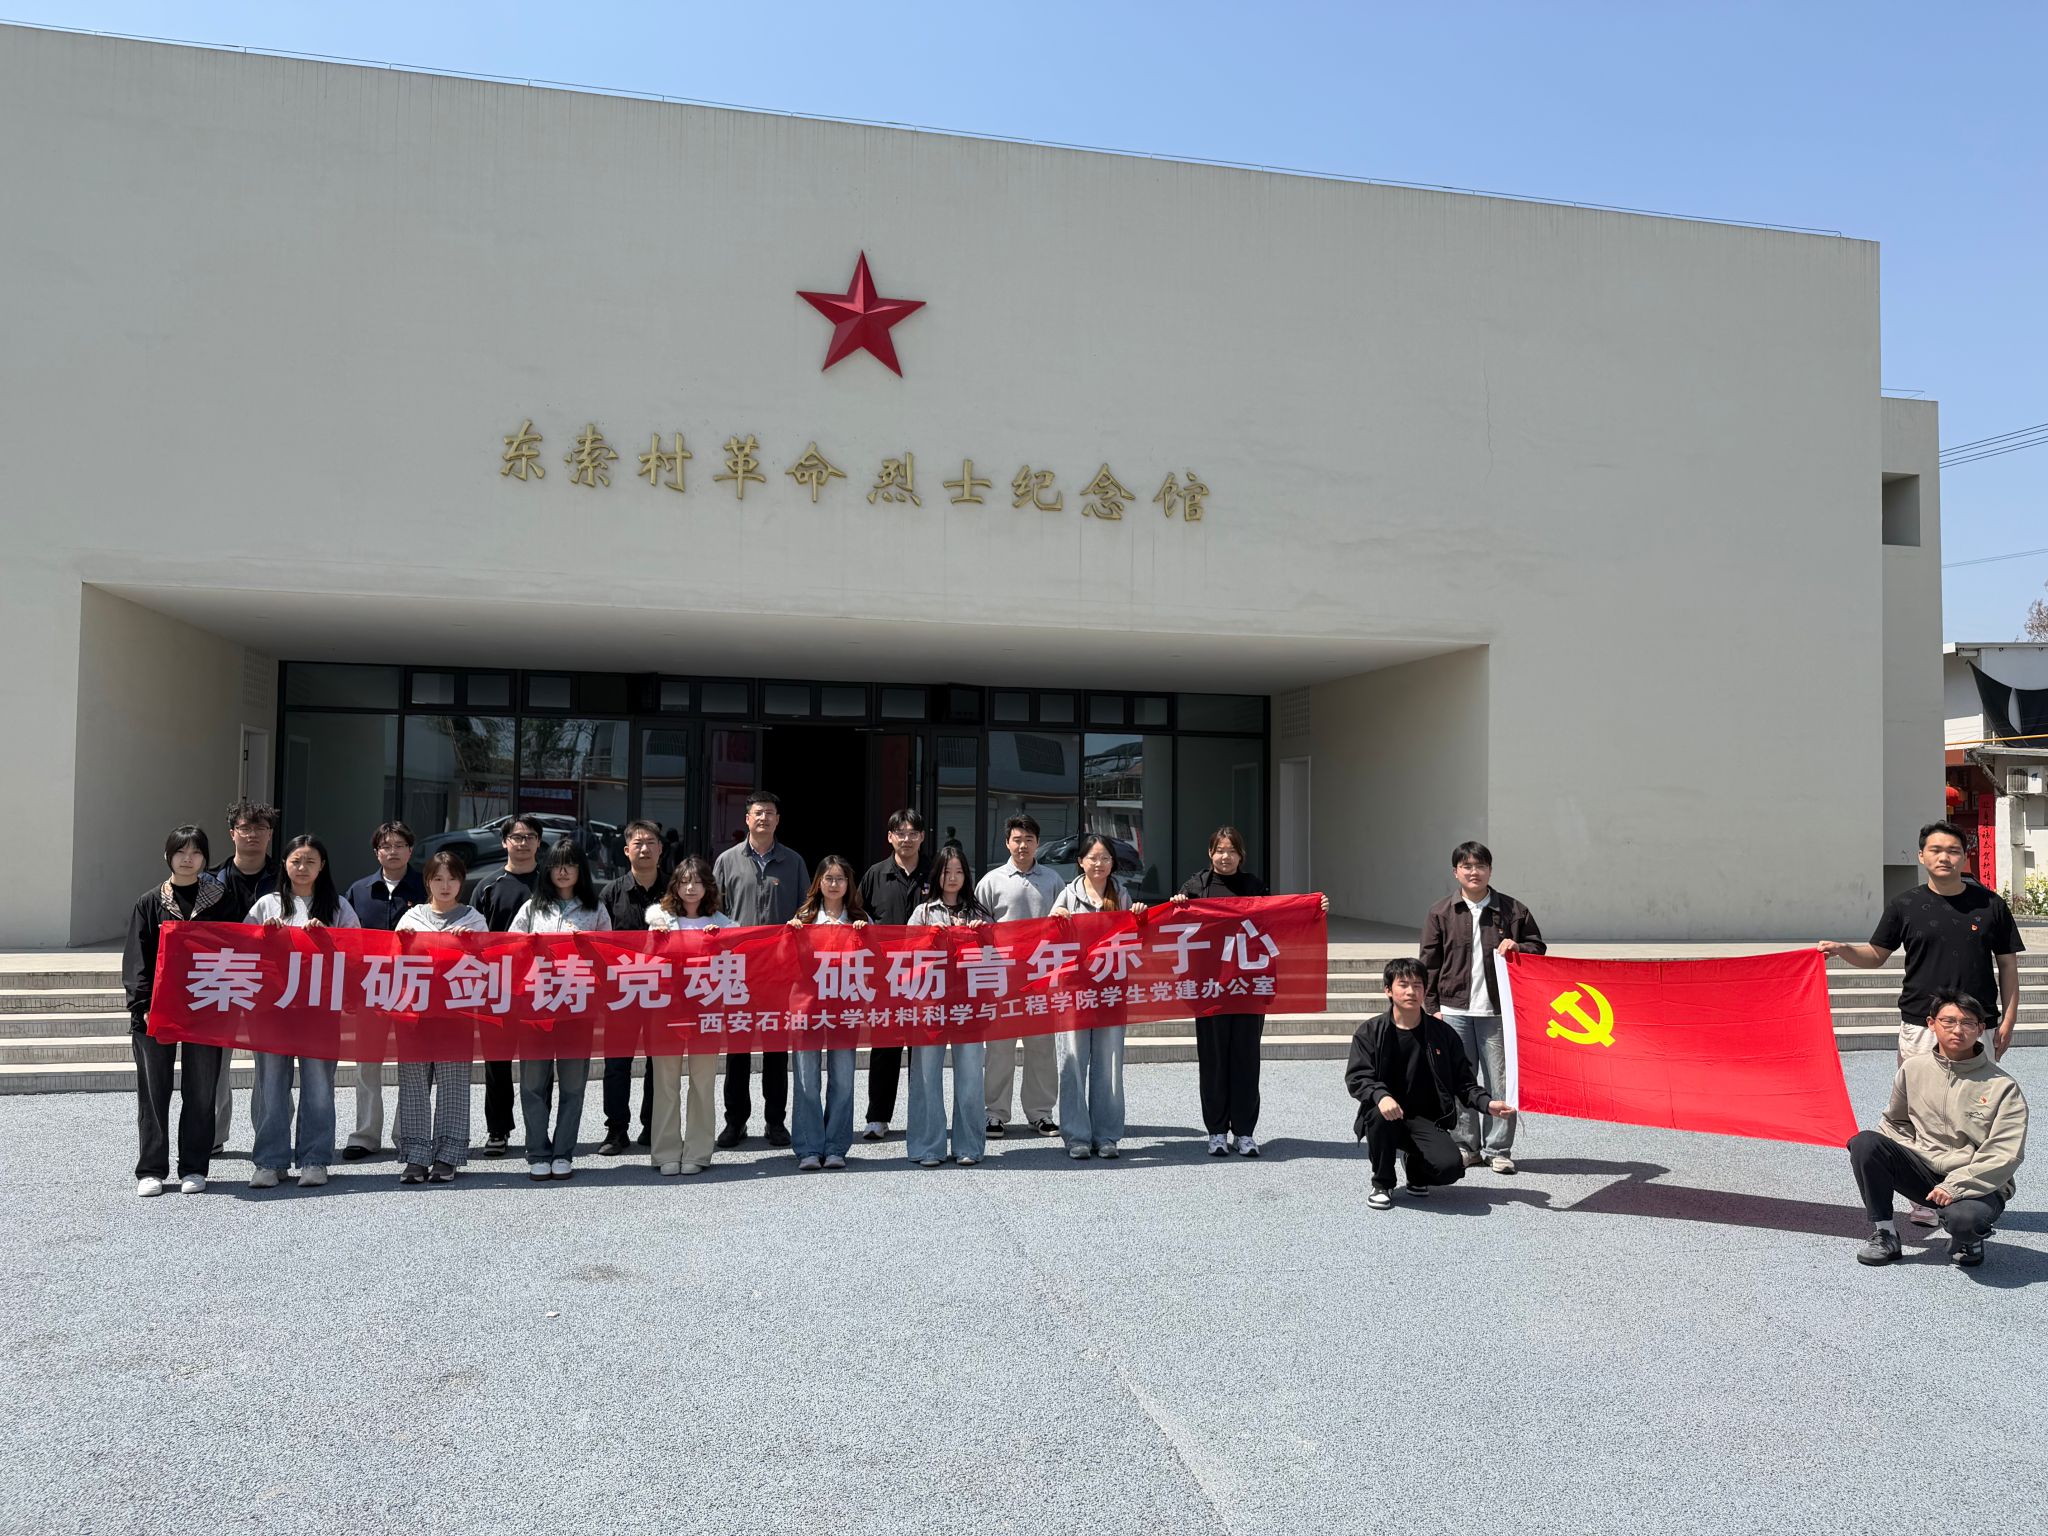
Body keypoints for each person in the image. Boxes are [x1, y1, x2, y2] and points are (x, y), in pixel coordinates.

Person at [1821, 819, 2025, 1224]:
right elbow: (1876, 955)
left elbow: (2007, 965)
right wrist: (1845, 949)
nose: (1944, 857)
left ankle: (1969, 1186)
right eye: (1935, 850)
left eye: (1952, 850)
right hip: (1921, 1023)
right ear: (1921, 856)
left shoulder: (1990, 905)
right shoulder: (1905, 905)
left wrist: (2009, 1020)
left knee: (1975, 1110)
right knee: (1919, 1109)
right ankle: (1922, 1197)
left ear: (1964, 856)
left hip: (1976, 1023)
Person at [1848, 989, 2029, 1269]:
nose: (1957, 1030)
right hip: (1925, 1172)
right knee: (1866, 1143)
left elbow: (2005, 1153)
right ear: (1932, 1024)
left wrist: (1956, 1185)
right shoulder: (1913, 1069)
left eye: (1967, 1023)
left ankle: (1968, 1237)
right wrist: (1915, 1153)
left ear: (1981, 1029)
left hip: (1977, 1183)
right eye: (1949, 1021)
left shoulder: (2002, 1086)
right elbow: (1895, 1122)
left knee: (1965, 1221)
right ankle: (1885, 1233)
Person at [1172, 826, 1314, 1159]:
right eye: (1220, 850)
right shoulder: (1196, 887)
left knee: (1246, 1061)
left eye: (1232, 850)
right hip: (1211, 989)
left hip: (1248, 987)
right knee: (1214, 1062)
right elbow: (1176, 926)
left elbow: (1277, 920)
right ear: (1210, 853)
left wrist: (1312, 907)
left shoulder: (1254, 887)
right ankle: (1217, 1132)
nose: (1225, 856)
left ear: (1241, 855)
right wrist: (1178, 904)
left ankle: (1245, 1132)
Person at [122, 824, 243, 1196]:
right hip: (156, 1011)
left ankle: (194, 1166)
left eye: (196, 852)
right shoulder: (149, 902)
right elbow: (137, 959)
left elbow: (238, 948)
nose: (188, 859)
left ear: (205, 858)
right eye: (180, 852)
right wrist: (142, 1005)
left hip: (206, 1007)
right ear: (168, 856)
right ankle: (151, 1170)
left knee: (201, 1091)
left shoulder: (222, 900)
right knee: (153, 1092)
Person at [1344, 957, 1516, 1211]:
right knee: (1379, 1116)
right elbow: (1358, 1077)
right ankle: (1382, 1183)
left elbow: (1464, 1083)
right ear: (1388, 990)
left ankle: (1415, 1171)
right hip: (1385, 1113)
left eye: (1417, 985)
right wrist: (1381, 1096)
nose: (1411, 991)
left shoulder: (1443, 1034)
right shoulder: (1370, 1032)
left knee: (1451, 1168)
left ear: (1425, 990)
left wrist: (1487, 1104)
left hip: (1425, 1118)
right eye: (1403, 985)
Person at [1418, 840, 1546, 1175]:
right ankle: (1466, 1146)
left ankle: (1498, 1149)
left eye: (1480, 866)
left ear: (1490, 870)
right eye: (1467, 866)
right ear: (1455, 872)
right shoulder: (1441, 912)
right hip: (1454, 1010)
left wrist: (1518, 946)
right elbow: (1429, 963)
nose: (1474, 872)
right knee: (1460, 1081)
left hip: (1498, 1012)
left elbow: (1538, 947)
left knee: (1500, 1082)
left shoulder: (1513, 910)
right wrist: (1431, 1007)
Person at [245, 835, 360, 1189]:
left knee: (318, 1087)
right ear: (284, 864)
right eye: (296, 860)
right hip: (273, 1010)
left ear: (322, 866)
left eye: (310, 861)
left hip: (319, 1011)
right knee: (271, 1086)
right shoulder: (266, 905)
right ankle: (270, 1161)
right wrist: (263, 937)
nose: (303, 867)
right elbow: (242, 950)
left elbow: (357, 952)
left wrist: (328, 940)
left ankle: (314, 1159)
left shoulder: (338, 907)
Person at [509, 837, 612, 1181]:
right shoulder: (532, 909)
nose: (563, 871)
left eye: (570, 864)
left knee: (572, 1085)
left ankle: (563, 1152)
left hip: (577, 1008)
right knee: (532, 1084)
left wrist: (585, 942)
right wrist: (528, 946)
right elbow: (510, 949)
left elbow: (608, 958)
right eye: (556, 864)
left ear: (581, 869)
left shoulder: (595, 909)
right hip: (536, 1007)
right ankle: (538, 1151)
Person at [711, 791, 808, 1149]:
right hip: (738, 970)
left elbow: (806, 909)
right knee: (737, 1050)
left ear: (778, 820)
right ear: (747, 819)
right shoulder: (727, 861)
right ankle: (735, 1122)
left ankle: (775, 1122)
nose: (764, 818)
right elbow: (713, 909)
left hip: (778, 972)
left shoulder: (793, 861)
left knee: (775, 1049)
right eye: (758, 812)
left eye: (770, 812)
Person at [1049, 833, 1147, 1159]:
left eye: (1105, 857)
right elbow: (1047, 940)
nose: (1099, 863)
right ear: (1081, 861)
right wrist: (1056, 920)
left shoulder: (1122, 895)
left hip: (1109, 992)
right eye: (1093, 857)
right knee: (1072, 1062)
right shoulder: (1067, 895)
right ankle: (1076, 1136)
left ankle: (1106, 1135)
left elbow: (1136, 940)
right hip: (1074, 993)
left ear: (1112, 863)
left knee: (1109, 1065)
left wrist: (1139, 917)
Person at [391, 851, 485, 1184]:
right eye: (438, 879)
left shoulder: (474, 920)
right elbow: (392, 962)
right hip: (414, 1013)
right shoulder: (411, 918)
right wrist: (403, 945)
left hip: (456, 1014)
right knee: (413, 1084)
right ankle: (415, 1156)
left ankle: (448, 1155)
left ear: (461, 882)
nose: (445, 886)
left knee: (453, 1085)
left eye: (452, 879)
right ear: (427, 881)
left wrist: (470, 946)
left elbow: (486, 964)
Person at [340, 820, 427, 1162]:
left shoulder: (426, 887)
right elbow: (346, 943)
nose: (392, 851)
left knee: (412, 1064)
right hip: (370, 989)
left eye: (399, 845)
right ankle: (365, 1134)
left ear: (410, 850)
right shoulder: (359, 891)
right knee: (367, 1063)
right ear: (376, 852)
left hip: (414, 989)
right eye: (386, 846)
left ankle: (408, 1133)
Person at [975, 814, 1065, 1138]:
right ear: (1006, 843)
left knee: (1041, 1048)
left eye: (1029, 839)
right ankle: (994, 1113)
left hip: (1040, 979)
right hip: (1002, 979)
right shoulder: (991, 882)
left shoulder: (1054, 881)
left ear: (1038, 843)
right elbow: (978, 929)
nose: (1023, 845)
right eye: (1017, 839)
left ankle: (1041, 1113)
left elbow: (1065, 925)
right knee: (999, 1048)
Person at [905, 845, 991, 1168]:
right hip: (931, 1005)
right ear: (936, 874)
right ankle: (928, 1146)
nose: (952, 878)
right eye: (946, 871)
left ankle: (969, 1145)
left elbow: (996, 956)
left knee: (970, 1079)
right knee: (926, 1077)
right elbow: (905, 955)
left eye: (959, 872)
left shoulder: (978, 913)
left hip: (969, 1006)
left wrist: (984, 936)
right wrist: (926, 938)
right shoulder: (923, 913)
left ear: (966, 876)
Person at [645, 856, 732, 1176]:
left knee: (702, 1082)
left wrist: (719, 943)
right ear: (675, 886)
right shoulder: (660, 920)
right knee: (665, 1083)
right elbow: (646, 963)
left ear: (708, 886)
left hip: (706, 1011)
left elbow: (736, 963)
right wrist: (656, 939)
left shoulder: (723, 923)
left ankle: (698, 1151)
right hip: (666, 1011)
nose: (691, 888)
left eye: (697, 881)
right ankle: (665, 1152)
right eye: (684, 881)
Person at [471, 812, 547, 1156]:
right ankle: (498, 1130)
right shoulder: (487, 885)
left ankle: (538, 1132)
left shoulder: (550, 884)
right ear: (504, 842)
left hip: (541, 987)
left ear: (539, 842)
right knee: (496, 1062)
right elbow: (474, 935)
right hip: (497, 984)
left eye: (530, 836)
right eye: (517, 837)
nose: (523, 842)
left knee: (539, 1062)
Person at [786, 856, 867, 1171]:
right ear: (818, 882)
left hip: (844, 1008)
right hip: (807, 1007)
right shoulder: (803, 918)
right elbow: (785, 962)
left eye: (840, 879)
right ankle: (808, 1147)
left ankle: (835, 1147)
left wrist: (863, 935)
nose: (834, 884)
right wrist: (792, 934)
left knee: (843, 1080)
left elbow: (874, 962)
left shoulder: (859, 919)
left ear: (849, 884)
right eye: (829, 878)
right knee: (807, 1081)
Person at [210, 798, 280, 1152]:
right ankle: (212, 1137)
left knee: (269, 1063)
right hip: (221, 978)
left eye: (260, 828)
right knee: (214, 1062)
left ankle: (268, 1140)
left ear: (270, 834)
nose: (252, 834)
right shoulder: (210, 881)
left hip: (270, 981)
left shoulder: (286, 879)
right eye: (245, 827)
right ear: (232, 833)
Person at [857, 807, 931, 1140]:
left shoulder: (935, 872)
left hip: (927, 976)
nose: (907, 839)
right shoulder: (875, 874)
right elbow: (857, 916)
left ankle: (922, 1114)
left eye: (913, 833)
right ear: (890, 837)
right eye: (900, 833)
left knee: (923, 1049)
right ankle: (878, 1117)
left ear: (922, 837)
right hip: (886, 978)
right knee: (885, 1047)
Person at [596, 819, 667, 1154]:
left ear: (661, 849)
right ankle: (616, 1130)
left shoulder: (675, 891)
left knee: (660, 1062)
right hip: (621, 992)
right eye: (638, 843)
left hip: (663, 991)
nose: (644, 848)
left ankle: (653, 1126)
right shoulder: (610, 893)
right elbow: (598, 943)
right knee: (617, 1063)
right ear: (626, 850)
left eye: (651, 842)